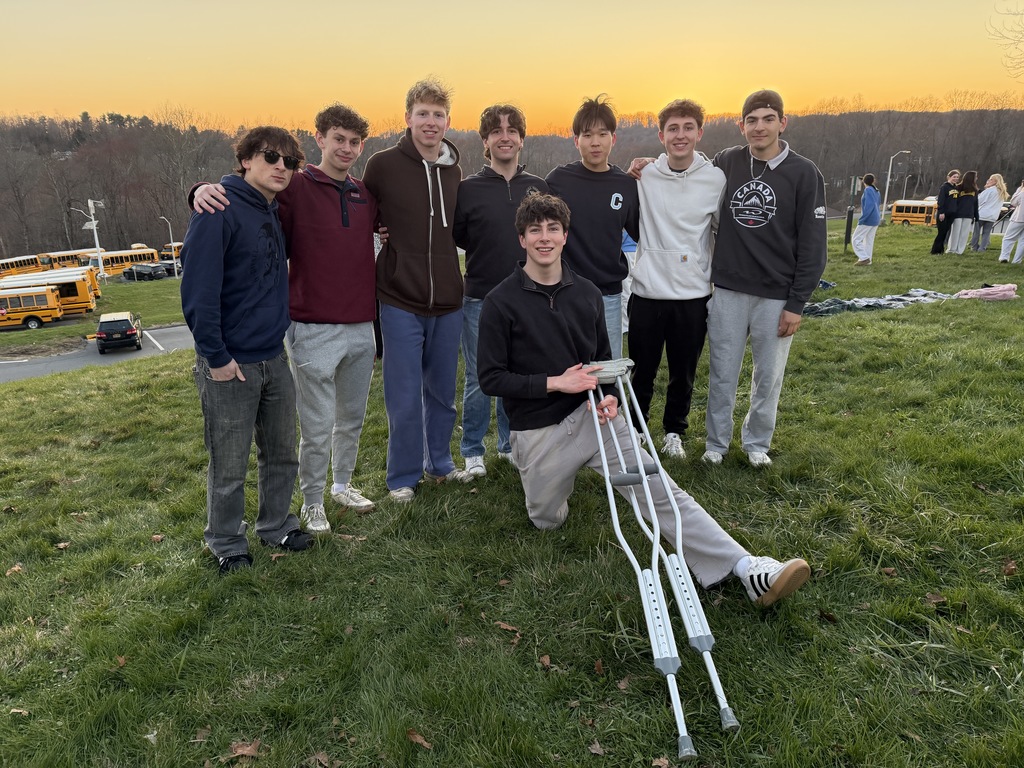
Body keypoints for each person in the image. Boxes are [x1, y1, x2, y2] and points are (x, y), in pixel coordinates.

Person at [477, 191, 810, 606]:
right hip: (538, 431)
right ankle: (554, 494)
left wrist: (610, 397)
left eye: (553, 229)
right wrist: (556, 382)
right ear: (522, 239)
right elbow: (491, 378)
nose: (544, 238)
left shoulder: (587, 294)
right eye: (534, 230)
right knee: (547, 519)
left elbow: (602, 362)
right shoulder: (500, 302)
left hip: (592, 417)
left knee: (661, 488)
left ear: (565, 236)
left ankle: (748, 568)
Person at [191, 104, 379, 534]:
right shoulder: (295, 185)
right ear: (321, 139)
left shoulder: (364, 194)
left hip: (361, 324)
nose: (346, 148)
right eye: (338, 139)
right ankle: (312, 502)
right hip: (312, 326)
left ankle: (342, 485)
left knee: (352, 417)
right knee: (316, 424)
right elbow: (245, 191)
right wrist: (200, 190)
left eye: (354, 142)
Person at [180, 126, 312, 574]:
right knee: (229, 462)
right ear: (245, 160)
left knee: (282, 452)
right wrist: (216, 357)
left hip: (274, 356)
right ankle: (226, 542)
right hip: (230, 363)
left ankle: (276, 525)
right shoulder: (217, 209)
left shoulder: (272, 209)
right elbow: (198, 292)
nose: (281, 167)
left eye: (290, 162)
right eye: (271, 156)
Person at [702, 90, 827, 468]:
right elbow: (688, 171)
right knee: (722, 371)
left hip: (776, 295)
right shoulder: (727, 161)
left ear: (782, 123)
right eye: (752, 120)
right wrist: (650, 162)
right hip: (728, 288)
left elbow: (813, 246)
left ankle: (757, 443)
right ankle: (716, 444)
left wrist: (796, 303)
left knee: (768, 376)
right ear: (741, 125)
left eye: (768, 119)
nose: (759, 127)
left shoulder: (804, 173)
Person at [362, 79, 473, 502]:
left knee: (442, 393)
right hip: (399, 297)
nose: (430, 121)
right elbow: (361, 210)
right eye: (422, 113)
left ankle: (439, 463)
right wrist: (378, 230)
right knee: (404, 396)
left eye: (438, 114)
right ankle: (402, 477)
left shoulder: (454, 170)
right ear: (407, 117)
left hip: (447, 299)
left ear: (448, 121)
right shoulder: (382, 165)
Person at [454, 104, 548, 478]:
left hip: (528, 297)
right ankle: (472, 450)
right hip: (480, 296)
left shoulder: (538, 188)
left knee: (519, 371)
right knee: (479, 376)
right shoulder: (467, 189)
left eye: (511, 131)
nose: (504, 137)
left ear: (521, 139)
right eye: (496, 131)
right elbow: (460, 236)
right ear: (485, 141)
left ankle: (510, 444)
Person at [629, 99, 726, 459]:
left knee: (683, 373)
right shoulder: (644, 175)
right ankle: (636, 430)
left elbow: (721, 232)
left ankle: (674, 432)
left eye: (688, 128)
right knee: (642, 371)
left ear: (699, 133)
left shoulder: (715, 179)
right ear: (661, 135)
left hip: (692, 295)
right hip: (647, 292)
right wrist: (638, 164)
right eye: (673, 128)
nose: (680, 135)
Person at [545, 95, 639, 358]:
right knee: (566, 364)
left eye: (602, 134)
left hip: (609, 295)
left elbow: (644, 233)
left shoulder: (625, 185)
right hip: (565, 292)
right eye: (587, 135)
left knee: (608, 368)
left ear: (613, 138)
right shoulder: (558, 181)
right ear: (576, 140)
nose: (595, 142)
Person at [971, 173, 1008, 252]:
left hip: (982, 214)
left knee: (976, 232)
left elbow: (979, 201)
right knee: (986, 233)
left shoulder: (989, 190)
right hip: (993, 216)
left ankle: (974, 247)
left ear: (995, 181)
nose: (989, 180)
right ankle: (982, 248)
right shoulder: (1002, 192)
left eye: (991, 179)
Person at [946, 170, 978, 255]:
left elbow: (975, 204)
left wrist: (976, 216)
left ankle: (959, 250)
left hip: (969, 215)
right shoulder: (958, 188)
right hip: (958, 214)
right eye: (975, 177)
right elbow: (953, 201)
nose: (976, 179)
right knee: (955, 232)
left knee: (964, 233)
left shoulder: (974, 190)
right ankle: (952, 249)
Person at [852, 173, 880, 266]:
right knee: (869, 240)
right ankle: (868, 260)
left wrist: (863, 218)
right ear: (873, 181)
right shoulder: (876, 191)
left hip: (868, 219)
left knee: (855, 239)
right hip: (876, 218)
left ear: (864, 182)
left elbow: (869, 206)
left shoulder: (868, 190)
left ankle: (864, 258)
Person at [930, 170, 960, 254]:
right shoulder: (944, 187)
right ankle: (935, 250)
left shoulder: (956, 188)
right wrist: (941, 212)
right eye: (954, 177)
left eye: (957, 177)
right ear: (949, 177)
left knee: (945, 232)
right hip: (943, 213)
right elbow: (941, 200)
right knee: (941, 232)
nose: (956, 179)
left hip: (952, 213)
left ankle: (941, 250)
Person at [999, 179, 1024, 264]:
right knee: (1022, 241)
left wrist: (1019, 190)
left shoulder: (1022, 193)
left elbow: (1013, 202)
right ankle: (1017, 260)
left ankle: (1004, 257)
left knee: (1009, 238)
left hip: (1019, 218)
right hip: (1019, 218)